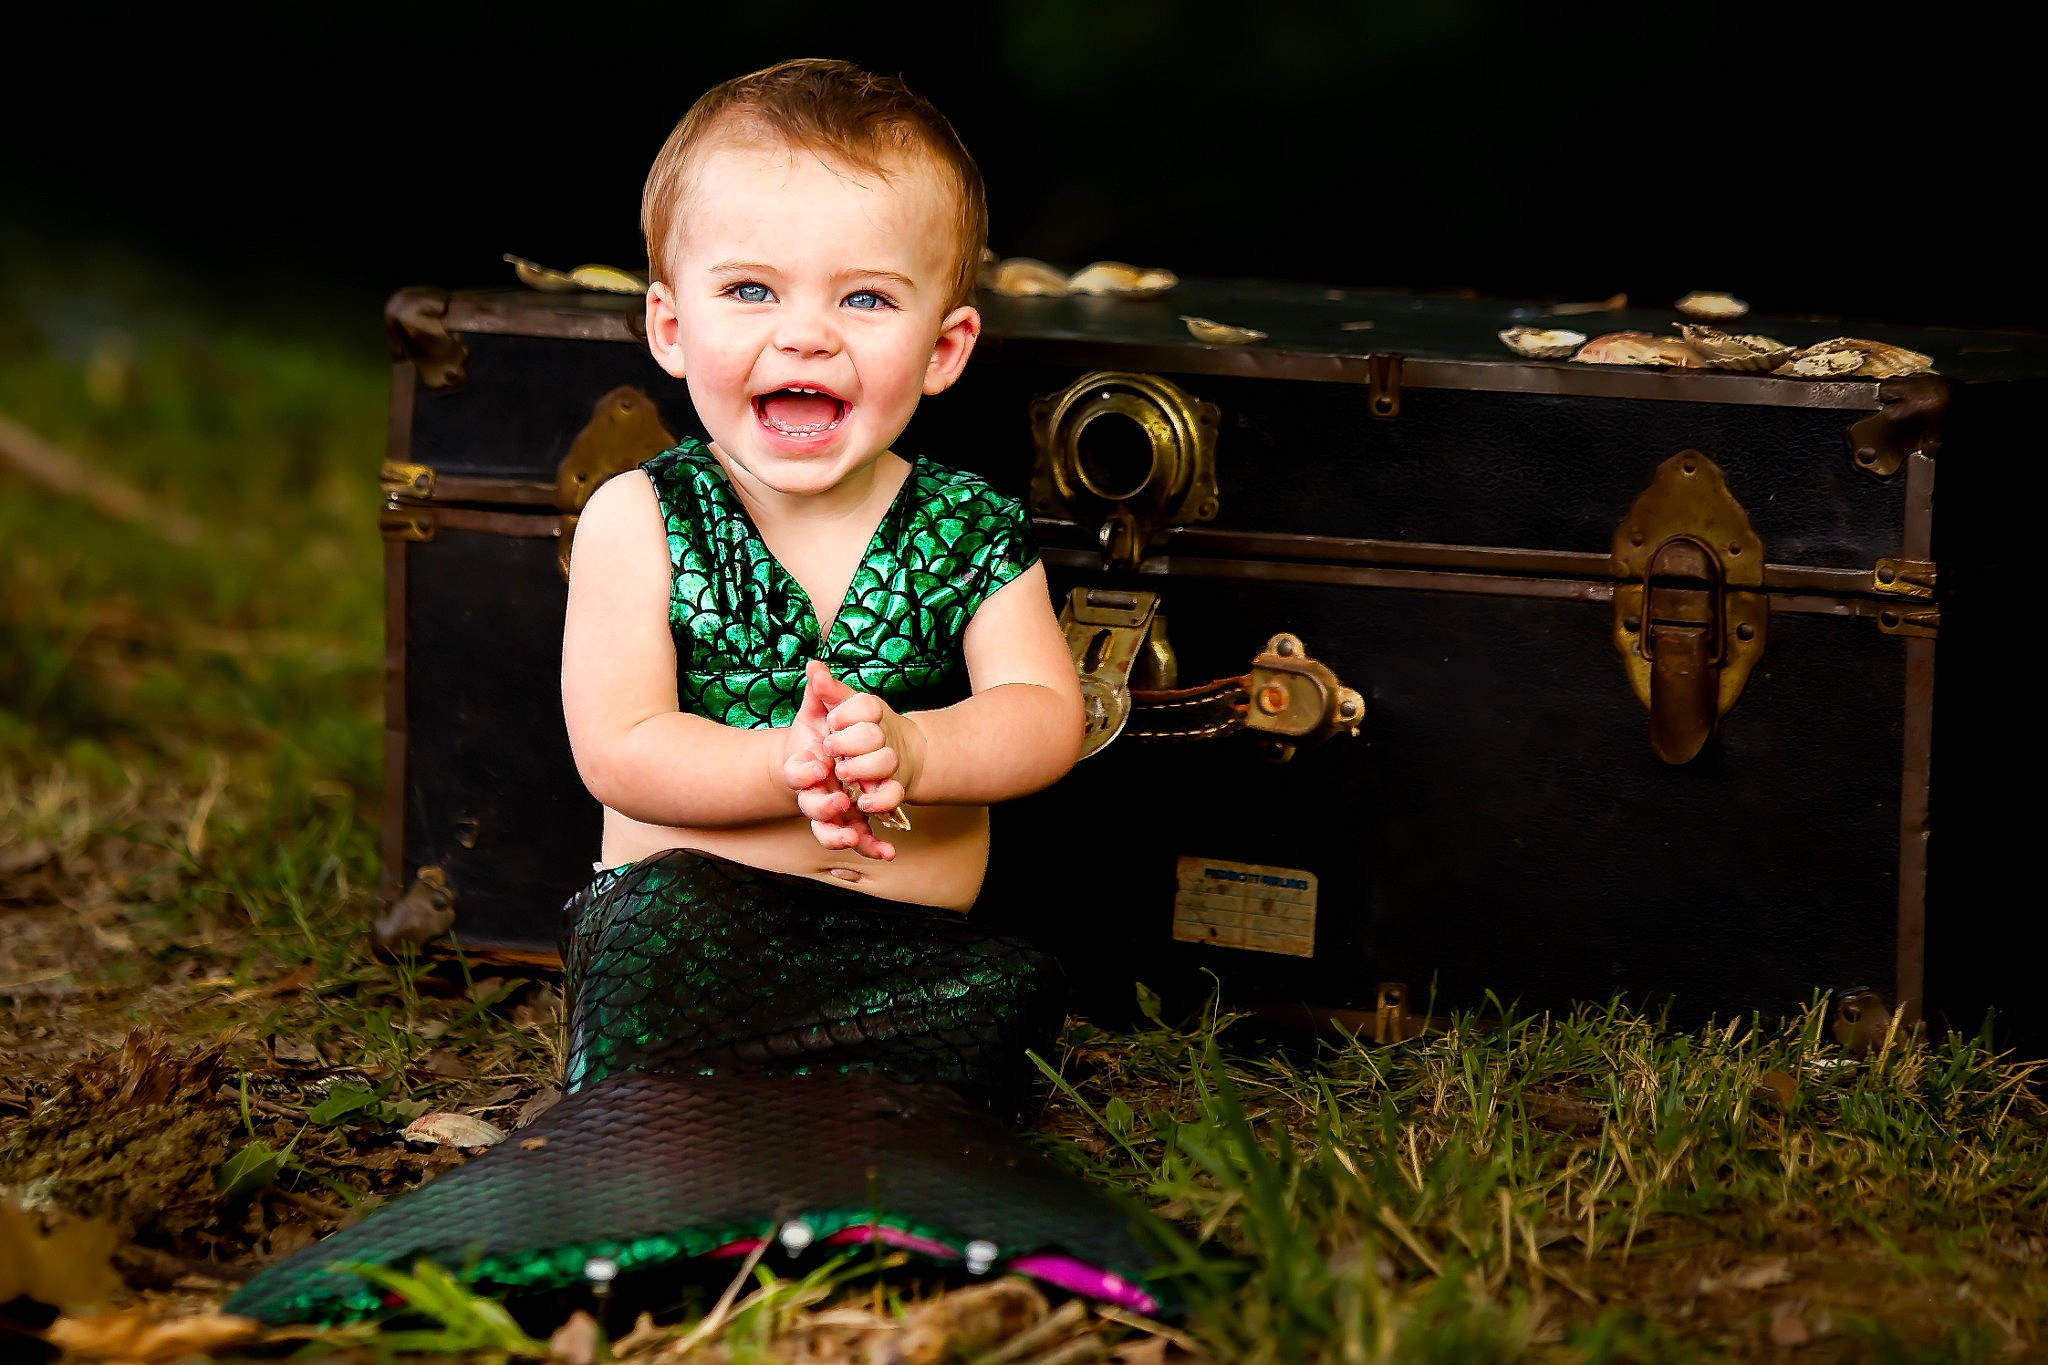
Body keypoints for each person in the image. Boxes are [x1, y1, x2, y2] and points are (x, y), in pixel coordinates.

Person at [226, 60, 1159, 1326]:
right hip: (689, 936)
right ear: (670, 328)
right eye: (750, 290)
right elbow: (620, 751)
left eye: (866, 297)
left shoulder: (973, 527)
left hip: (915, 958)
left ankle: (878, 1208)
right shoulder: (642, 518)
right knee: (662, 1091)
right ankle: (653, 1200)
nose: (805, 333)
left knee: (960, 1073)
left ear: (943, 349)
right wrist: (788, 763)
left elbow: (1044, 717)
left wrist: (918, 752)